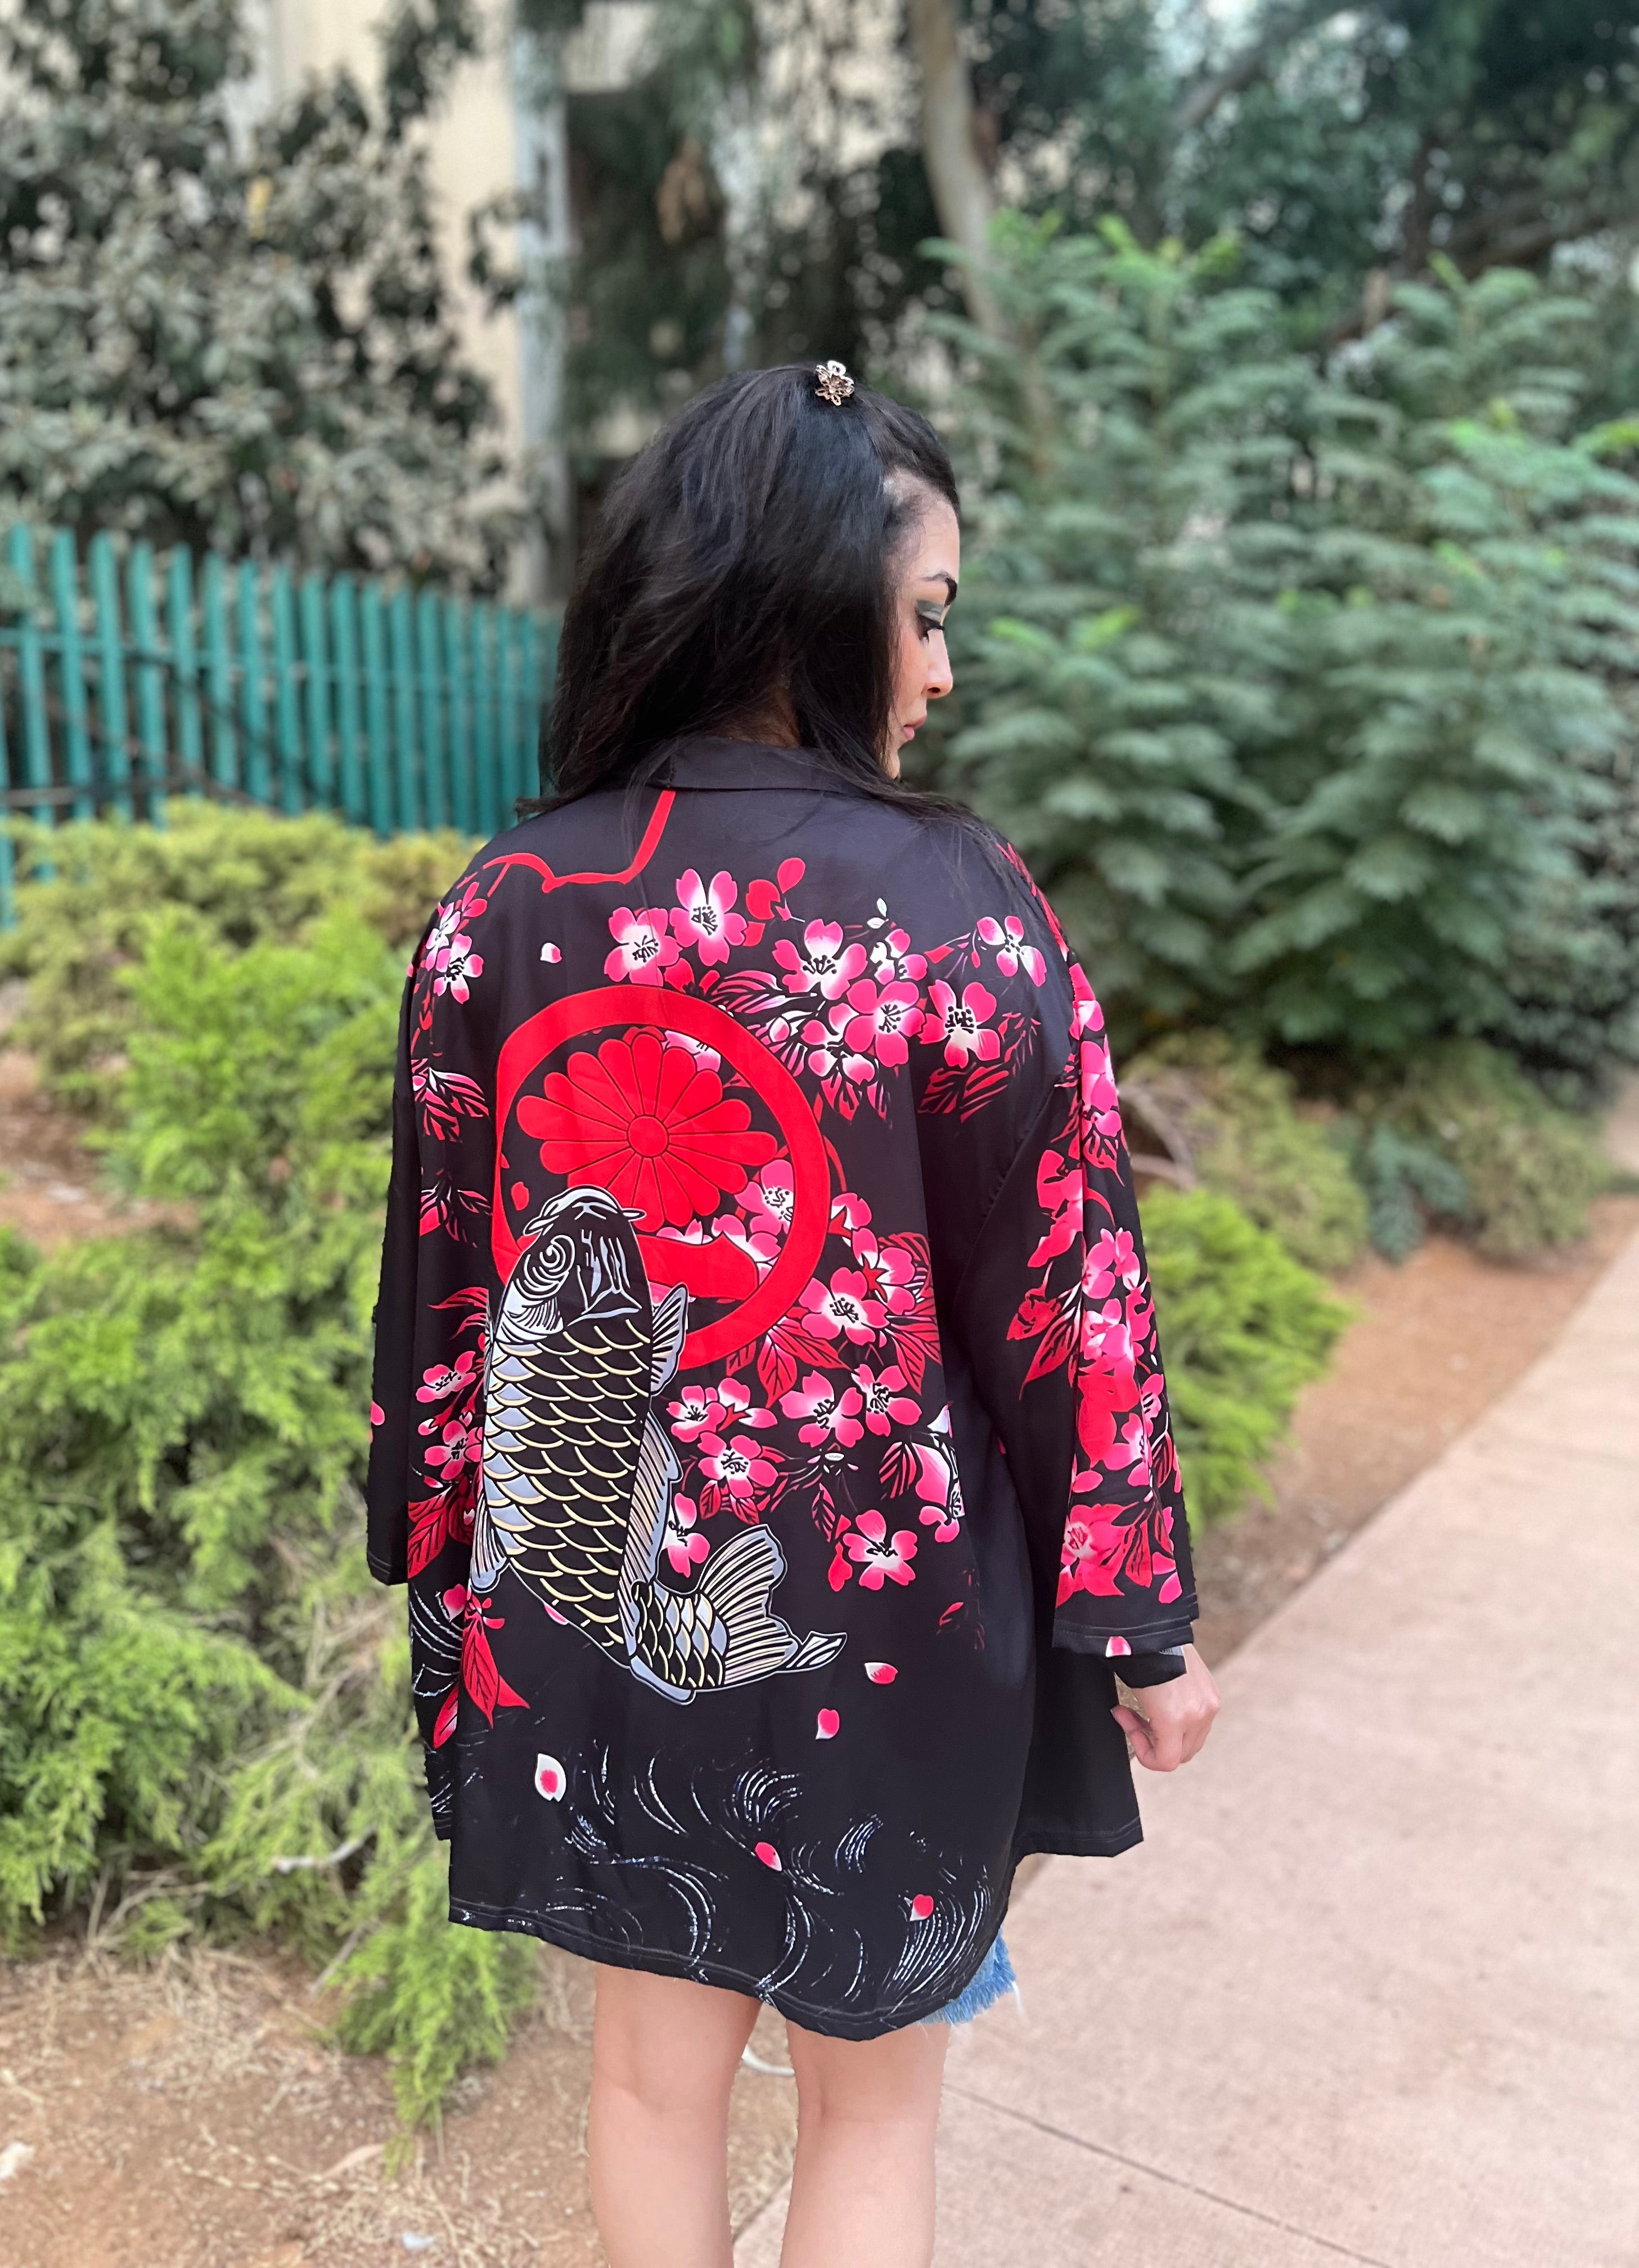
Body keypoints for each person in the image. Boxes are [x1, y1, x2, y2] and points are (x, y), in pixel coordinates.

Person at [364, 359, 1219, 2268]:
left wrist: (429, 1535)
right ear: (815, 601)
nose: (939, 672)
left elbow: (443, 1278)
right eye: (926, 616)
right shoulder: (961, 905)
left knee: (648, 2087)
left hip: (581, 1607)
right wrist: (1142, 1622)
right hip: (888, 1617)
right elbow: (1068, 1295)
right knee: (873, 2108)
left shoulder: (502, 903)